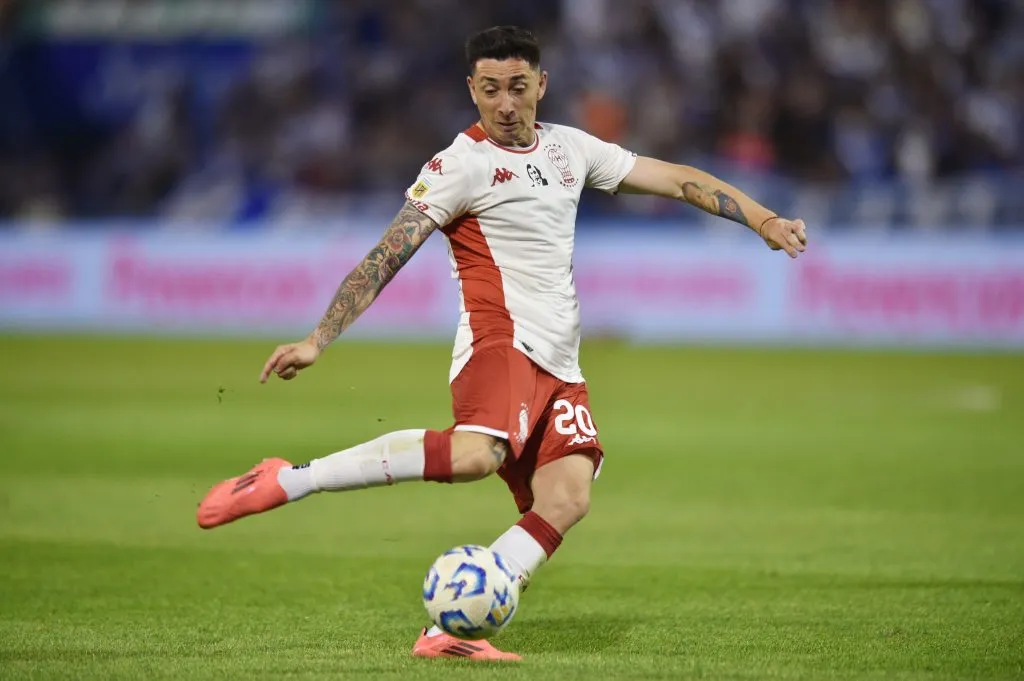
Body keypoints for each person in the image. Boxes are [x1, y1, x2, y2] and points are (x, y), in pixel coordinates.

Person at [196, 25, 808, 662]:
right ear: (473, 90)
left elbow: (677, 179)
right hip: (501, 344)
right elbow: (386, 255)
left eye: (518, 88)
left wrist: (762, 219)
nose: (506, 104)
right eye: (490, 90)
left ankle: (451, 632)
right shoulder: (459, 165)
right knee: (474, 456)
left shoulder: (571, 150)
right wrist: (319, 339)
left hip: (560, 362)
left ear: (542, 85)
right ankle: (291, 479)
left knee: (568, 498)